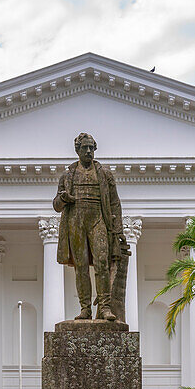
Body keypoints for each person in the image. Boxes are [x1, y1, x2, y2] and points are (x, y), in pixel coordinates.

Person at [53, 132, 125, 321]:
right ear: (77, 150)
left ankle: (105, 307)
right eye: (84, 147)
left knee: (102, 263)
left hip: (98, 220)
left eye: (91, 147)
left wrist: (118, 229)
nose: (88, 151)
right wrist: (63, 198)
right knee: (81, 267)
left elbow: (115, 203)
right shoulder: (68, 175)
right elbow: (56, 205)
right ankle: (85, 308)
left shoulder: (104, 174)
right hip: (76, 222)